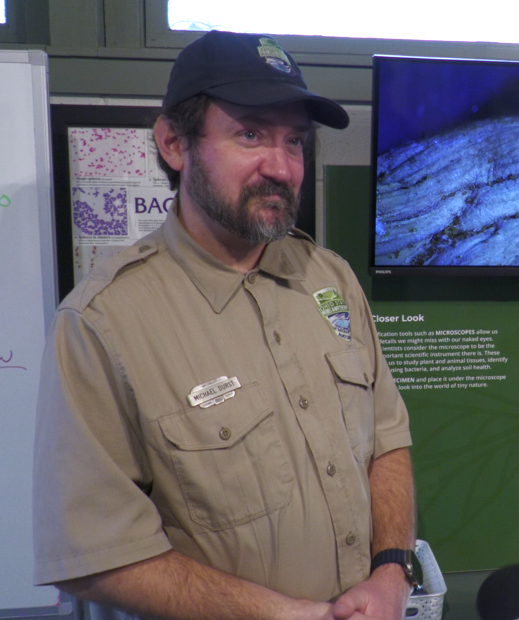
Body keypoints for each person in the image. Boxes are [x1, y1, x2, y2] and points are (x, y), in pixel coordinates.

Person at [32, 30, 418, 620]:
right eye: (251, 134)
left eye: (295, 141)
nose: (281, 166)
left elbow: (387, 440)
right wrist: (288, 615)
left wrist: (392, 570)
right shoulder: (102, 324)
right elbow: (94, 555)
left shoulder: (331, 279)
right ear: (174, 143)